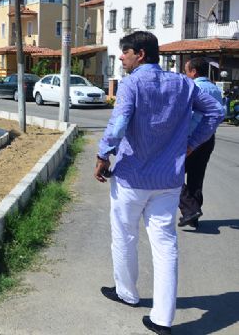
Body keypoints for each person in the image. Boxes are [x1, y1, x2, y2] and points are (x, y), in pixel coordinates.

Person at [94, 32, 224, 335]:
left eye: (124, 53)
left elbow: (119, 122)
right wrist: (191, 143)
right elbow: (216, 112)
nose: (122, 58)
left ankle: (127, 293)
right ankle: (162, 319)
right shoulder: (183, 83)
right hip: (168, 180)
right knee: (165, 245)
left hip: (131, 178)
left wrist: (103, 154)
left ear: (140, 54)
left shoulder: (132, 84)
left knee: (124, 236)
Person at [179, 57, 224, 228]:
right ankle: (193, 215)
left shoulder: (194, 87)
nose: (185, 73)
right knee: (197, 177)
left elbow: (189, 115)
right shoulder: (215, 88)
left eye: (186, 70)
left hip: (192, 137)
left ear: (194, 71)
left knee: (172, 174)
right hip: (208, 138)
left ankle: (189, 209)